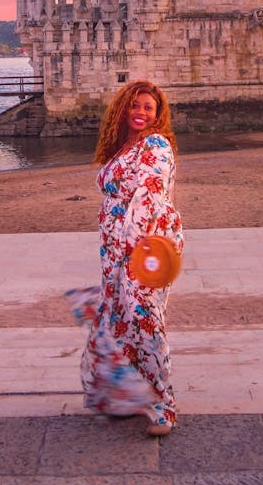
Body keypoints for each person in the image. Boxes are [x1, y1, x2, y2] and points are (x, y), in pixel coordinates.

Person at [65, 79, 183, 436]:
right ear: (123, 109)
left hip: (145, 247)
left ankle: (164, 406)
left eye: (149, 108)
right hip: (115, 248)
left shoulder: (156, 145)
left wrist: (134, 250)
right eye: (136, 106)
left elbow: (149, 197)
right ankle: (127, 397)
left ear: (158, 115)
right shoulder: (122, 148)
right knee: (120, 319)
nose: (142, 113)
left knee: (144, 319)